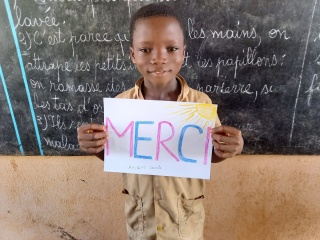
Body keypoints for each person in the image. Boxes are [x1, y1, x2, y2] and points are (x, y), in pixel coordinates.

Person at [77, 3, 243, 240]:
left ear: (183, 51)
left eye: (171, 48)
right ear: (133, 53)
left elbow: (208, 155)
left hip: (183, 224)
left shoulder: (200, 104)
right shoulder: (122, 105)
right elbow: (120, 155)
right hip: (142, 223)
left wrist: (229, 149)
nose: (159, 58)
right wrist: (95, 147)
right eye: (145, 50)